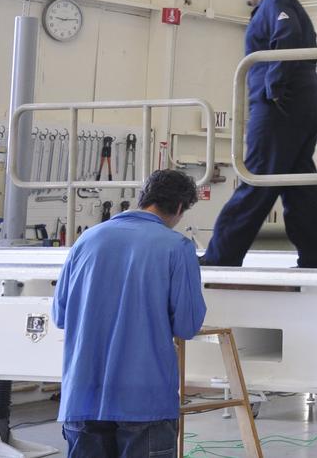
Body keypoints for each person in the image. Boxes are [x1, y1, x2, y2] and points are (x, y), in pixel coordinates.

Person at [53, 169, 206, 458]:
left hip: (81, 397)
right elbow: (187, 325)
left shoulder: (86, 241)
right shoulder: (177, 247)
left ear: (143, 198)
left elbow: (61, 316)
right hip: (144, 400)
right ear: (177, 208)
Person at [201, 0, 317, 268]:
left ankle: (221, 256)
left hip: (280, 107)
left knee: (256, 177)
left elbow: (288, 39)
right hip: (300, 103)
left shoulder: (276, 5)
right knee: (298, 183)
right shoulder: (284, 5)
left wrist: (273, 88)